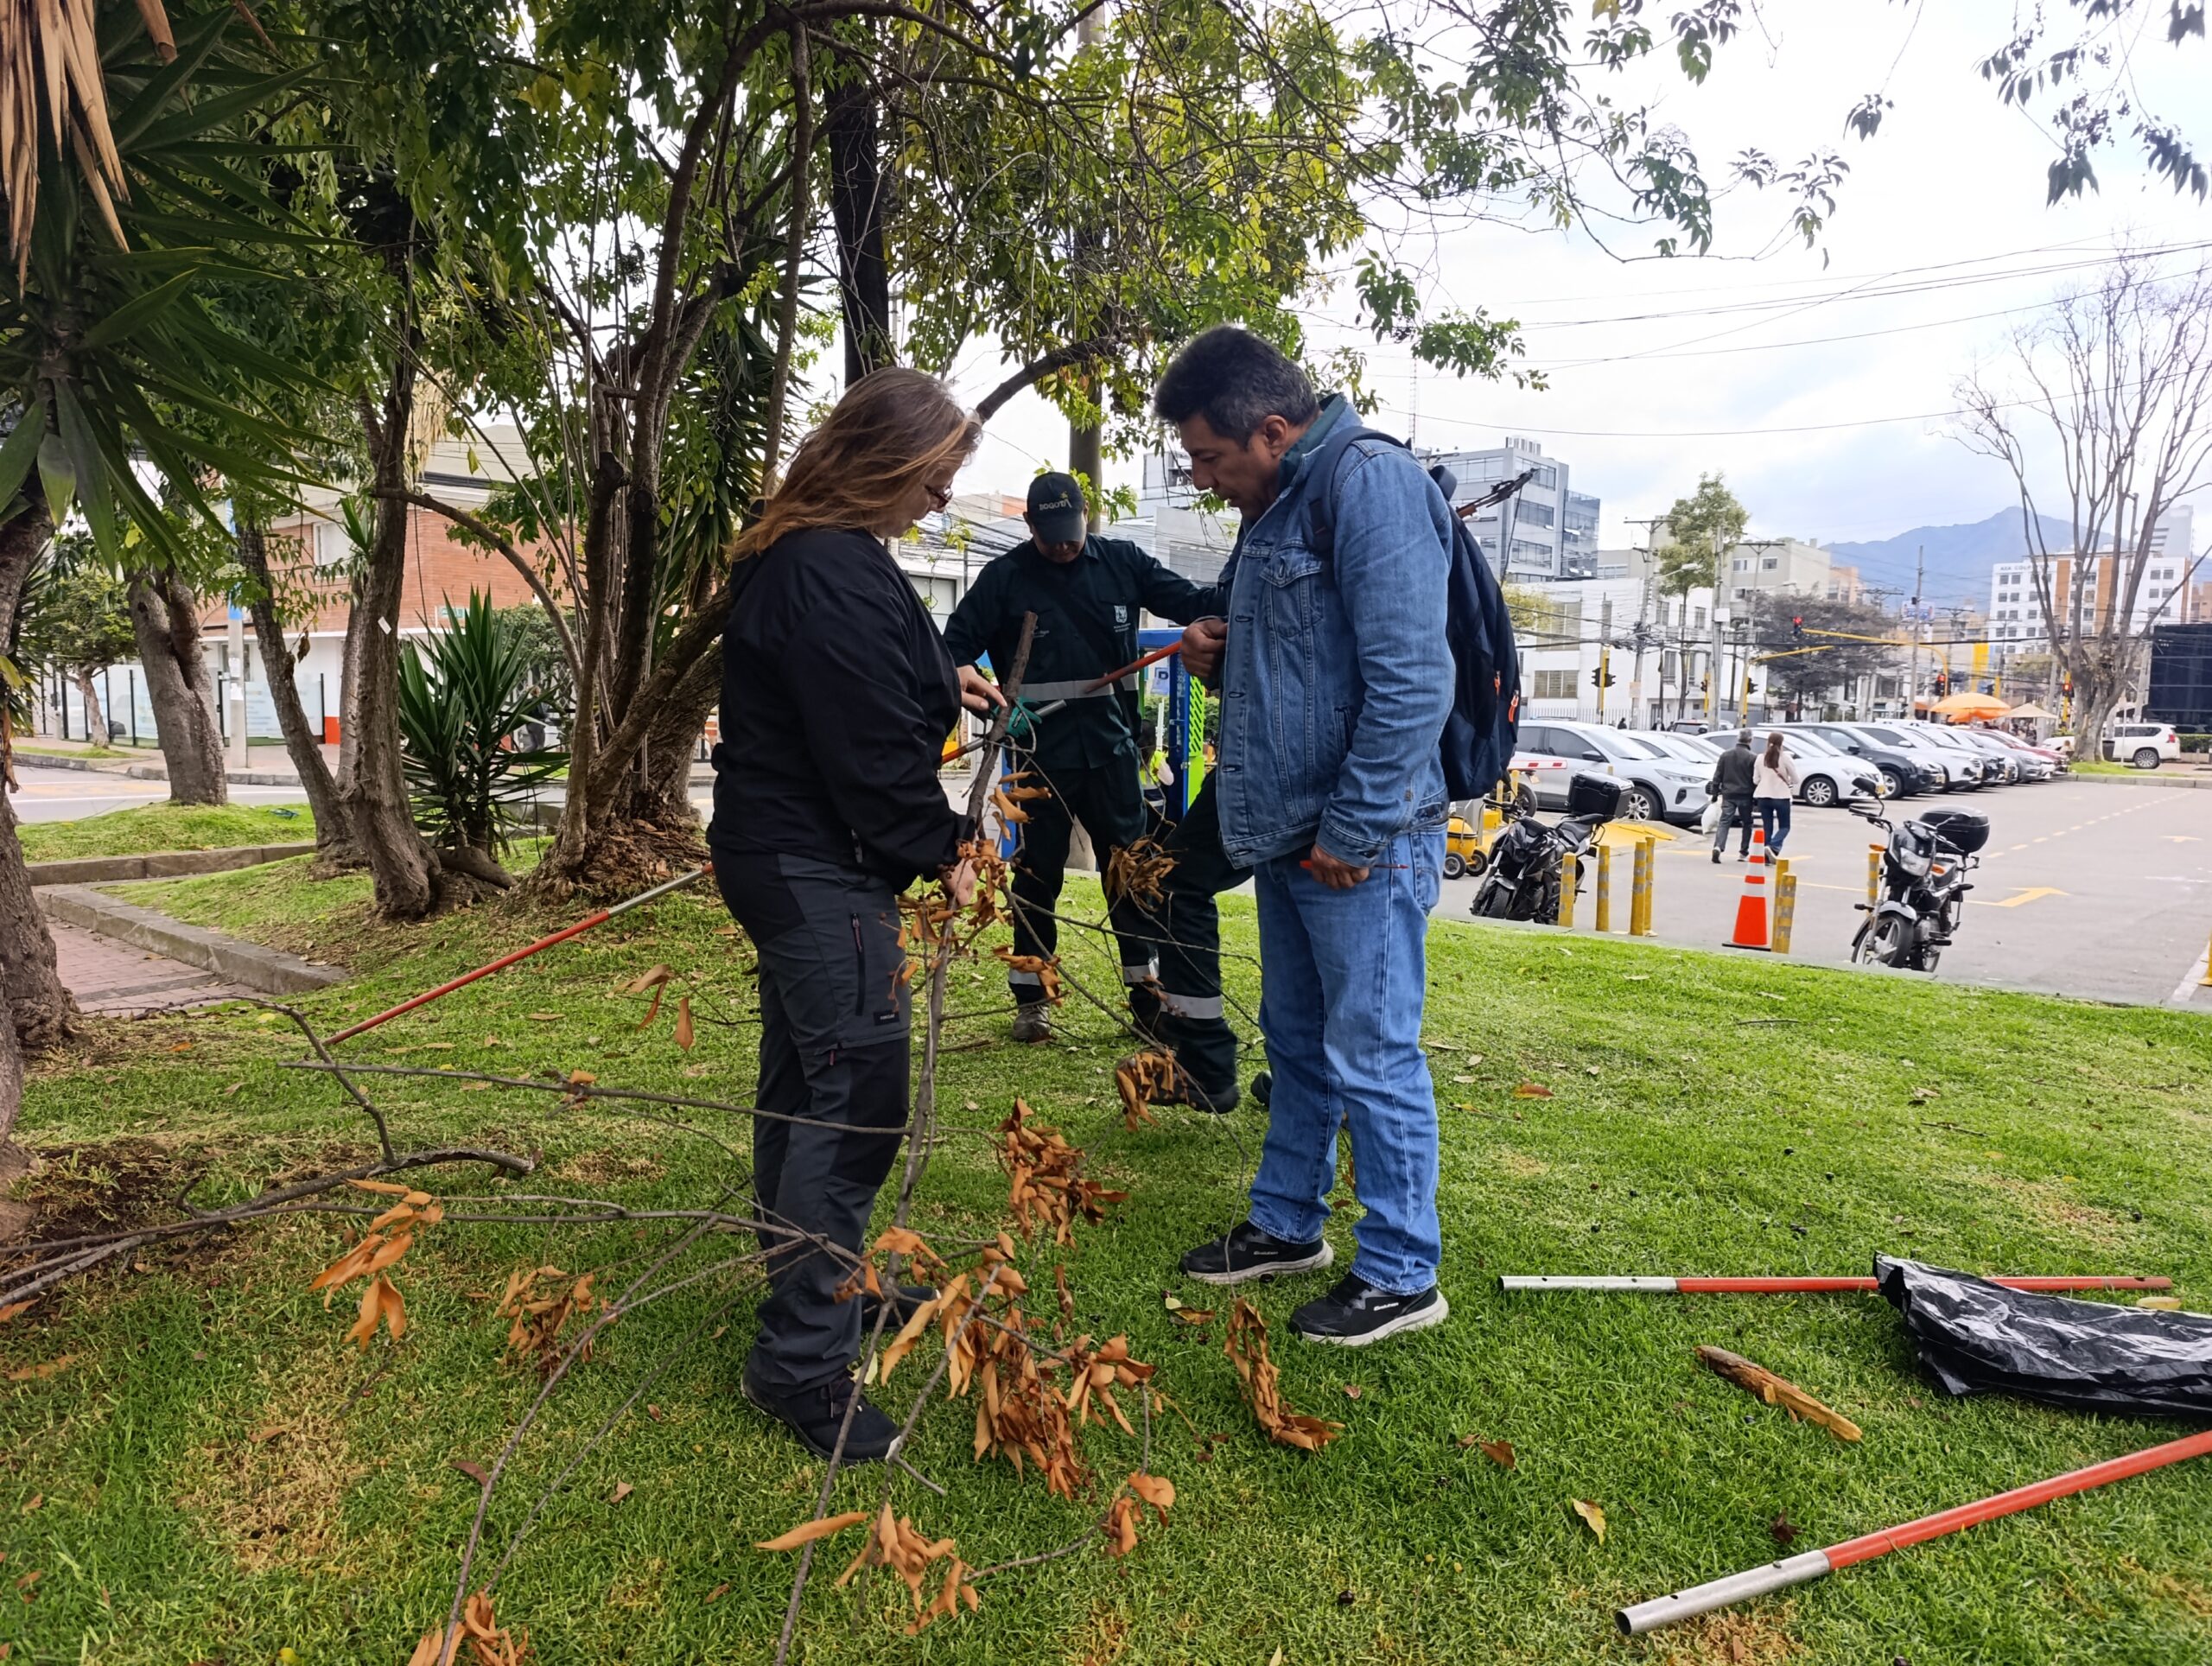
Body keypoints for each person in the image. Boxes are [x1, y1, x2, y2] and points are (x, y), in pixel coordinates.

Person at [708, 368, 1001, 1464]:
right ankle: (798, 1363)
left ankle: (822, 1281)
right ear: (887, 455)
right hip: (813, 866)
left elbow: (886, 670)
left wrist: (951, 677)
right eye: (938, 472)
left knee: (805, 1079)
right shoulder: (823, 567)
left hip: (792, 857)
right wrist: (944, 851)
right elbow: (869, 753)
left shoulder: (833, 552)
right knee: (857, 1093)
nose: (940, 495)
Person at [1155, 325, 1452, 1347]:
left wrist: (1355, 826)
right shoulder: (1276, 503)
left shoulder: (1366, 484)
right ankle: (1288, 1223)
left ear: (1273, 431)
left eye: (1208, 456)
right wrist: (1208, 652)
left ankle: (1403, 1271)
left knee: (1372, 1053)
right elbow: (1293, 667)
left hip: (1359, 839)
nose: (1202, 477)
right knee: (1296, 1037)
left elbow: (1413, 677)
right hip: (1288, 831)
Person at [940, 473, 1217, 1050]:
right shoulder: (1005, 579)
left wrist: (1241, 596)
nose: (1065, 546)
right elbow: (950, 649)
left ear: (1087, 514)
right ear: (1030, 525)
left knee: (1131, 875)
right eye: (1051, 536)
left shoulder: (1121, 564)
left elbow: (1194, 603)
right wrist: (989, 696)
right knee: (1037, 877)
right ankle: (1032, 1000)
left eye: (1072, 533)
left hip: (1112, 751)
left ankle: (1149, 1001)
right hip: (1036, 755)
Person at [1707, 729, 1757, 863]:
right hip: (1746, 795)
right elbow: (1755, 779)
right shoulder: (1753, 757)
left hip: (1728, 794)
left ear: (1738, 739)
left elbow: (1717, 776)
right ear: (1750, 740)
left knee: (1724, 821)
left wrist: (1715, 794)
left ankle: (1718, 846)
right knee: (1747, 823)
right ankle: (1743, 852)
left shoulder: (1725, 755)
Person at [1752, 731, 1797, 856]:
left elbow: (1755, 780)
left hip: (1763, 796)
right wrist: (1787, 779)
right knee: (1785, 826)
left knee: (1767, 827)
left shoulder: (1760, 758)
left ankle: (1766, 853)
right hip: (1781, 796)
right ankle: (1774, 846)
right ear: (1782, 743)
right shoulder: (1785, 758)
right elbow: (1796, 779)